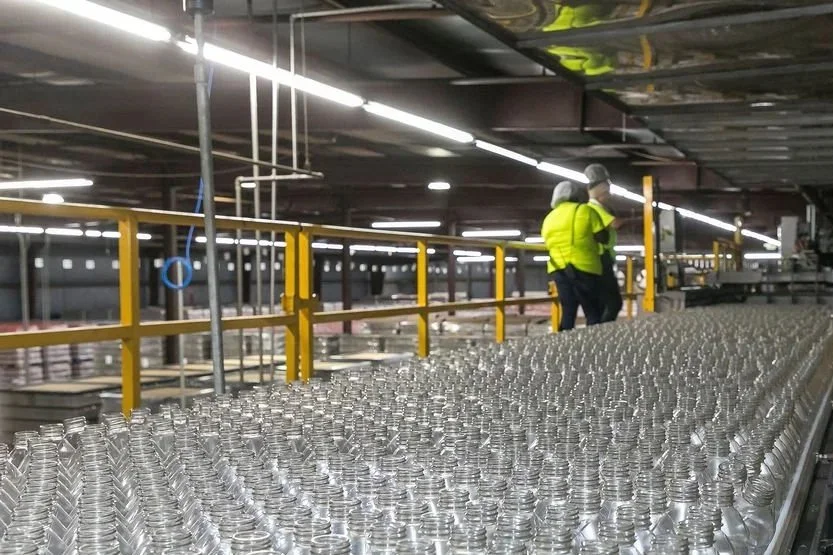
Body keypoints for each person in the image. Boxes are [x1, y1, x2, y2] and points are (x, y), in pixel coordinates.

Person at [541, 180, 608, 331]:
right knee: (592, 312)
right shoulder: (585, 210)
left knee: (568, 311)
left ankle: (562, 348)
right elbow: (603, 238)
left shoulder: (549, 218)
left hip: (559, 269)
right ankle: (595, 347)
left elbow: (547, 242)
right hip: (585, 268)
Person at [585, 163, 623, 323]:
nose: (609, 195)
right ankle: (601, 331)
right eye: (607, 192)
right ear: (599, 193)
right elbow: (614, 224)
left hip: (603, 257)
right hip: (601, 257)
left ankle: (598, 332)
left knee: (602, 303)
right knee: (614, 302)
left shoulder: (598, 206)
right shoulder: (594, 207)